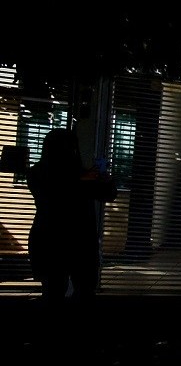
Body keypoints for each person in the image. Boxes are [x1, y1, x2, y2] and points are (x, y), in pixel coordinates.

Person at [26, 127, 117, 309]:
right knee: (76, 292)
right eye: (69, 147)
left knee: (55, 292)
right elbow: (103, 193)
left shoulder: (39, 172)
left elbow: (106, 194)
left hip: (51, 238)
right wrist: (98, 180)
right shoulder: (77, 176)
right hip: (76, 241)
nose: (72, 151)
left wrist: (101, 181)